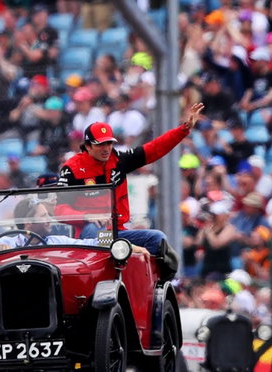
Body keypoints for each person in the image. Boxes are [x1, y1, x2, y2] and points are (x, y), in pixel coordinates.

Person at [55, 103, 205, 279]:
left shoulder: (119, 160)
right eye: (100, 144)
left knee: (157, 238)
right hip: (89, 234)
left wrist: (183, 129)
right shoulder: (71, 168)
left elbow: (154, 149)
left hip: (118, 231)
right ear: (87, 146)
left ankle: (147, 282)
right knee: (98, 232)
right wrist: (86, 216)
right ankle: (105, 277)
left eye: (109, 143)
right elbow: (59, 210)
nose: (106, 149)